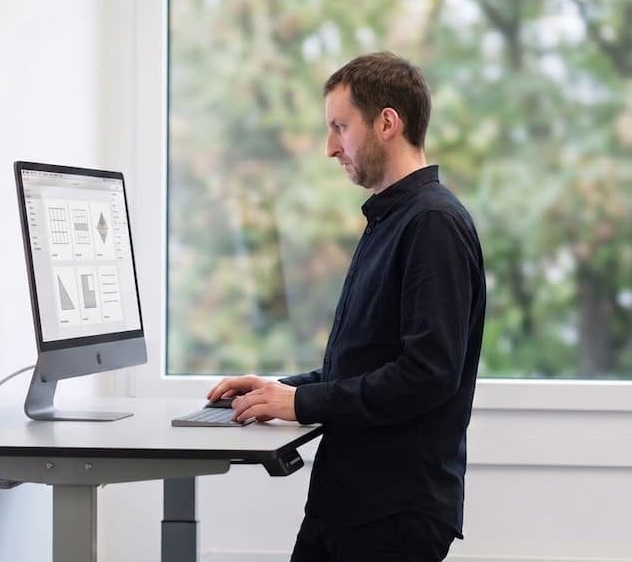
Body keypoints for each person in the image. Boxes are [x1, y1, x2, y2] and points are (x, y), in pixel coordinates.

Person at [207, 51, 486, 562]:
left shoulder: (432, 224)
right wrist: (282, 389)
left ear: (386, 123)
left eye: (340, 127)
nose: (330, 148)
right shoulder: (392, 218)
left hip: (391, 511)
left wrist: (303, 405)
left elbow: (428, 373)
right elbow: (363, 363)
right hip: (353, 502)